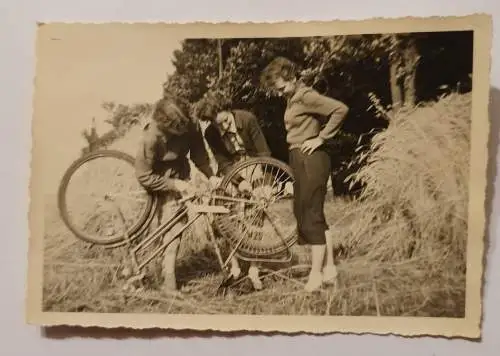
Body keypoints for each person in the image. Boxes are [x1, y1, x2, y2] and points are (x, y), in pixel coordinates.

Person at [260, 57, 349, 292]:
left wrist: (321, 138)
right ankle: (330, 268)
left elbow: (340, 109)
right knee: (309, 213)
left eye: (280, 87)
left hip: (312, 158)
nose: (278, 93)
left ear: (290, 77)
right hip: (298, 157)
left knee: (310, 215)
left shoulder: (306, 96)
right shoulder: (292, 98)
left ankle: (316, 275)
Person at [134, 93, 222, 293]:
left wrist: (211, 176)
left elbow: (199, 153)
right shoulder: (151, 138)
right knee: (161, 229)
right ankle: (152, 274)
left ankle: (168, 279)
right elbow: (144, 176)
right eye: (177, 128)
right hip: (159, 181)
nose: (183, 131)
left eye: (185, 126)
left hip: (180, 174)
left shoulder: (190, 124)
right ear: (165, 124)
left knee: (176, 227)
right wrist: (175, 185)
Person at [194, 92, 276, 290]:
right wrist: (239, 181)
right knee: (230, 219)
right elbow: (223, 162)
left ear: (227, 110)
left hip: (256, 164)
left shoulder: (247, 119)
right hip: (232, 171)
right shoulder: (211, 134)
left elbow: (263, 152)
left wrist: (260, 182)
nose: (221, 127)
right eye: (215, 124)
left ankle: (254, 270)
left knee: (256, 216)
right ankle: (235, 267)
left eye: (223, 122)